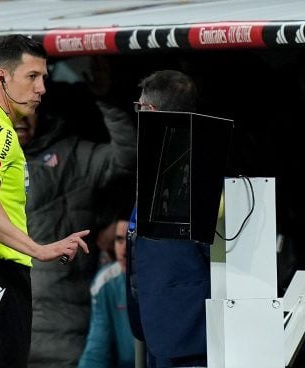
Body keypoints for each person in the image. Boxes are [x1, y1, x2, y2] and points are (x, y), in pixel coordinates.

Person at [0, 27, 137, 367]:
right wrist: (39, 249)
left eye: (44, 77)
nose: (41, 88)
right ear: (2, 77)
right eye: (32, 76)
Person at [127, 69, 208, 368]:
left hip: (189, 342)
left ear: (149, 111)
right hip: (158, 333)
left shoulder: (194, 172)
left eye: (139, 107)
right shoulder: (156, 167)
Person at [78, 218, 134, 368]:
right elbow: (98, 349)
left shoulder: (167, 282)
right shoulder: (106, 283)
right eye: (119, 240)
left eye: (132, 239)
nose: (124, 250)